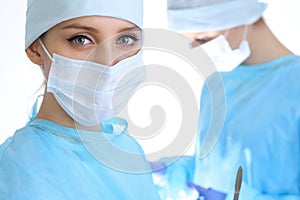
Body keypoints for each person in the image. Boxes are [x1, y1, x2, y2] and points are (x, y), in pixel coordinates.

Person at [0, 0, 161, 199]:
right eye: (81, 40)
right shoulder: (17, 171)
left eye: (125, 39)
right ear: (35, 48)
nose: (108, 62)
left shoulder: (128, 150)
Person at [152, 0, 300, 199]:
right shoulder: (217, 85)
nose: (197, 51)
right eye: (190, 42)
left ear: (240, 14)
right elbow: (213, 168)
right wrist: (170, 174)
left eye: (203, 38)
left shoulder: (294, 86)